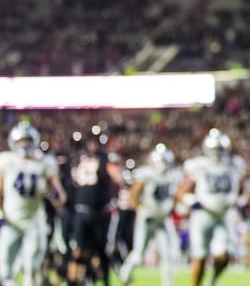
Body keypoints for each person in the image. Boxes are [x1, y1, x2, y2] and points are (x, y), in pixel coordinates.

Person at [176, 129, 249, 286]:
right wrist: (191, 201)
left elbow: (242, 188)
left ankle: (212, 281)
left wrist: (241, 200)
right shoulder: (199, 165)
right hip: (203, 214)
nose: (216, 152)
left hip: (223, 215)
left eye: (219, 149)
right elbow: (182, 191)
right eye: (214, 149)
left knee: (225, 255)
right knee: (199, 257)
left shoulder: (234, 165)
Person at [0, 120, 66, 286]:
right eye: (21, 141)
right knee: (4, 268)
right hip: (11, 220)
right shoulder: (6, 161)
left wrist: (53, 193)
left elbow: (59, 196)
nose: (24, 145)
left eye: (27, 141)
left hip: (34, 222)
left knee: (32, 267)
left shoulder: (44, 163)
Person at [119, 144, 181, 286]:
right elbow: (133, 195)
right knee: (139, 253)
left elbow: (173, 196)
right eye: (161, 161)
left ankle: (167, 284)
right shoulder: (147, 174)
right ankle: (125, 274)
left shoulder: (172, 175)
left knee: (167, 254)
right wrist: (141, 210)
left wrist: (172, 208)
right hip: (146, 219)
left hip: (162, 219)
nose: (163, 165)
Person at [67, 129, 122, 286]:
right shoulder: (79, 159)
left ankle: (102, 280)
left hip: (98, 212)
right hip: (82, 210)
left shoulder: (103, 159)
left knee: (99, 250)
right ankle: (75, 281)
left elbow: (116, 178)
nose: (93, 145)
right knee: (79, 250)